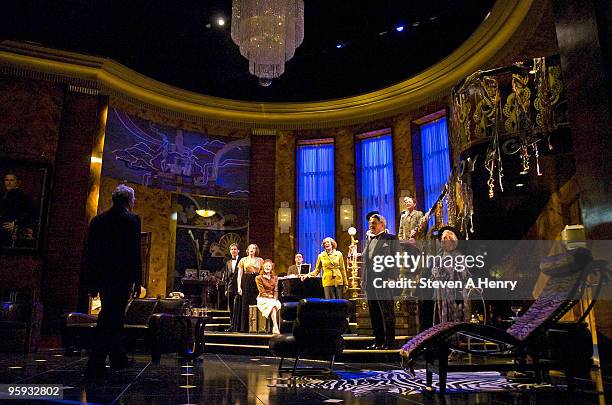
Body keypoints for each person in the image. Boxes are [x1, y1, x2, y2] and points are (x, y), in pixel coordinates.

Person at [84, 184, 142, 379]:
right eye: (133, 200)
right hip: (121, 277)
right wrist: (137, 279)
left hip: (101, 276)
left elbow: (90, 253)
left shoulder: (97, 221)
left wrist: (90, 280)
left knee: (112, 314)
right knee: (111, 316)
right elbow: (134, 253)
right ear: (128, 201)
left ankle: (117, 356)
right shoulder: (131, 220)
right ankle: (96, 361)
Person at [362, 214, 399, 350]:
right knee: (374, 312)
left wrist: (392, 278)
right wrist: (364, 280)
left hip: (384, 280)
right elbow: (367, 263)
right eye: (370, 223)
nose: (371, 225)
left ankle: (389, 342)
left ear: (382, 225)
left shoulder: (391, 238)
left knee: (387, 312)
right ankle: (378, 341)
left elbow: (396, 259)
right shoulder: (370, 240)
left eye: (374, 223)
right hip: (370, 282)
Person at [431, 226, 470, 324]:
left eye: (448, 238)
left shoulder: (459, 256)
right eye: (444, 238)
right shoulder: (438, 257)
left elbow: (462, 275)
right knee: (440, 318)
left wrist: (445, 273)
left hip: (454, 292)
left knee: (454, 318)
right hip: (440, 293)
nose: (446, 241)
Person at [0, 173, 34, 247]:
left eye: (11, 180)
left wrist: (16, 223)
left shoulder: (23, 197)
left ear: (17, 182)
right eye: (6, 180)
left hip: (13, 230)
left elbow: (29, 213)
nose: (8, 183)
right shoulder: (3, 195)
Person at [236, 244, 264, 332]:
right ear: (247, 250)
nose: (252, 249)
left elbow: (263, 273)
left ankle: (256, 326)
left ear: (256, 250)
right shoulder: (243, 260)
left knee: (256, 302)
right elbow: (239, 275)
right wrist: (239, 287)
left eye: (254, 248)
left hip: (256, 281)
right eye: (250, 248)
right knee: (245, 303)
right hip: (246, 281)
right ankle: (244, 327)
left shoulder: (260, 260)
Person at [255, 259, 281, 334]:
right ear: (263, 267)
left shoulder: (275, 278)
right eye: (266, 266)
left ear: (271, 268)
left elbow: (276, 290)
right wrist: (269, 296)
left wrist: (275, 298)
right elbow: (261, 291)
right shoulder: (259, 278)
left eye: (269, 266)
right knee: (273, 306)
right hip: (263, 299)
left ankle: (275, 326)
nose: (267, 267)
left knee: (275, 304)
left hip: (272, 298)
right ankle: (275, 326)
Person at [223, 243, 242, 332]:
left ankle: (237, 326)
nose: (233, 251)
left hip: (239, 286)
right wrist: (226, 289)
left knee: (237, 306)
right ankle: (231, 325)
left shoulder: (242, 260)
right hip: (230, 287)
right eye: (232, 249)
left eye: (235, 249)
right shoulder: (228, 263)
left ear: (238, 250)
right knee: (231, 307)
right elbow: (226, 277)